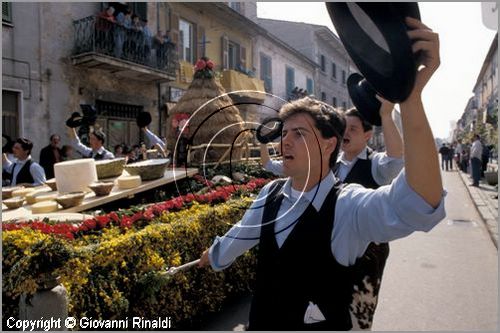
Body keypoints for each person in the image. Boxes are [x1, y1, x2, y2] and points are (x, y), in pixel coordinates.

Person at [198, 17, 445, 330]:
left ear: (330, 144)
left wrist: (410, 99)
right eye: (284, 133)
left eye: (299, 133)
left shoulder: (348, 206)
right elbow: (241, 234)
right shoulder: (270, 195)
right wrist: (216, 254)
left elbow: (420, 201)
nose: (285, 140)